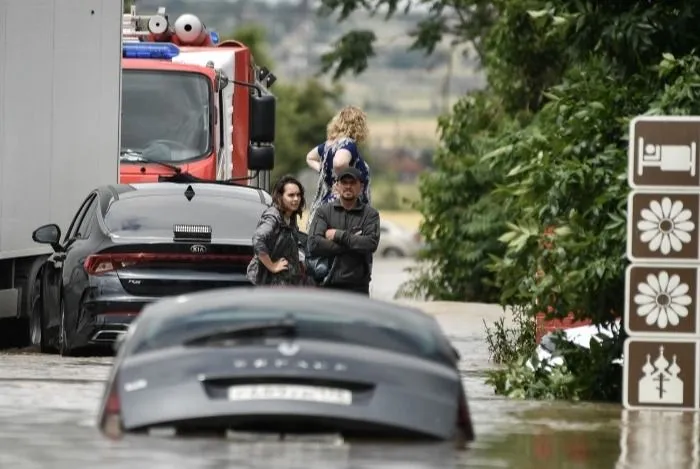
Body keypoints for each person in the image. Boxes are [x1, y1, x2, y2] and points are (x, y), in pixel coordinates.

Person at [308, 167, 380, 295]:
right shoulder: (323, 211)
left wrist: (339, 235)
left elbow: (370, 244)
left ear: (361, 187)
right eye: (344, 182)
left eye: (352, 183)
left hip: (358, 288)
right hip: (327, 285)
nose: (348, 186)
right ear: (337, 185)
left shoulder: (370, 215)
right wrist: (353, 244)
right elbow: (313, 243)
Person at [305, 105, 372, 231]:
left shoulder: (328, 145)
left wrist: (323, 171)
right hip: (344, 212)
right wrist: (343, 182)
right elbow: (339, 162)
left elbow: (310, 157)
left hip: (324, 208)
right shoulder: (348, 144)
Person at [246, 175, 307, 286]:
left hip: (285, 282)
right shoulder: (273, 216)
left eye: (298, 195)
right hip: (266, 282)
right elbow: (258, 239)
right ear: (280, 197)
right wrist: (272, 265)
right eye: (291, 195)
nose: (296, 199)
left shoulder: (291, 216)